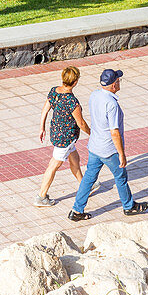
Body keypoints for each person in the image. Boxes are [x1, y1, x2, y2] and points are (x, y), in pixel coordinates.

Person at [68, 68, 148, 221]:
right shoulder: (112, 104)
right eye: (118, 81)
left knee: (89, 178)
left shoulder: (94, 95)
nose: (119, 83)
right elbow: (114, 132)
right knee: (121, 176)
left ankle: (77, 210)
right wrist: (122, 154)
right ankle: (129, 206)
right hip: (108, 149)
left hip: (94, 146)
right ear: (113, 85)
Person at [36, 66, 90, 207]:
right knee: (53, 165)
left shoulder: (54, 91)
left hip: (56, 133)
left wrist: (42, 127)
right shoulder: (73, 102)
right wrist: (93, 134)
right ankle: (41, 196)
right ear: (75, 81)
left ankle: (85, 185)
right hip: (65, 138)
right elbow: (81, 123)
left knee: (75, 158)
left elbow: (45, 109)